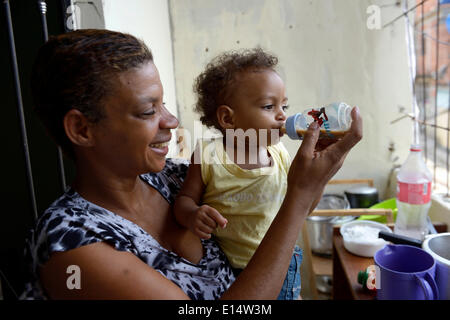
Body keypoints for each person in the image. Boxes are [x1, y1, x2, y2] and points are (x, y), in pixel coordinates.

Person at [21, 29, 362, 300]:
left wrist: (313, 178)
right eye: (147, 111)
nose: (171, 120)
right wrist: (299, 196)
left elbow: (281, 208)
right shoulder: (74, 248)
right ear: (82, 129)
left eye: (163, 104)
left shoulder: (172, 177)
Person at [173, 48, 302, 300]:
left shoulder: (280, 154)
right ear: (227, 118)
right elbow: (183, 201)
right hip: (227, 268)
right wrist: (192, 215)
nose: (282, 116)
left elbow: (300, 204)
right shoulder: (209, 155)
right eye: (268, 106)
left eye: (284, 105)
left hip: (282, 263)